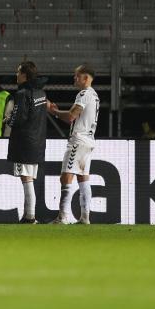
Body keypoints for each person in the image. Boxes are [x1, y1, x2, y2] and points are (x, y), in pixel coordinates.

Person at [47, 64, 99, 225]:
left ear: (86, 78)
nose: (74, 78)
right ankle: (85, 217)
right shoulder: (94, 95)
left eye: (77, 75)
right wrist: (57, 112)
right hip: (89, 140)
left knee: (66, 177)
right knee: (83, 179)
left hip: (79, 140)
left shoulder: (83, 94)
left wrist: (52, 111)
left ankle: (62, 217)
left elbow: (71, 116)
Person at [5, 61, 48, 224]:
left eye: (18, 72)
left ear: (24, 74)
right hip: (37, 141)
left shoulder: (22, 94)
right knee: (29, 177)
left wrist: (9, 120)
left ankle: (30, 216)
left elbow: (19, 117)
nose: (16, 75)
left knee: (26, 178)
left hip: (24, 142)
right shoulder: (41, 93)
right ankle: (28, 215)